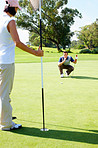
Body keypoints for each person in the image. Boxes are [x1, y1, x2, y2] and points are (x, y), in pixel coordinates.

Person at [0, 0, 43, 131]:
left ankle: (4, 117)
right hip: (6, 62)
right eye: (17, 8)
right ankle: (6, 124)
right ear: (11, 7)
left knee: (2, 93)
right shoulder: (10, 21)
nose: (17, 11)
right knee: (5, 94)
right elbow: (17, 42)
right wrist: (35, 53)